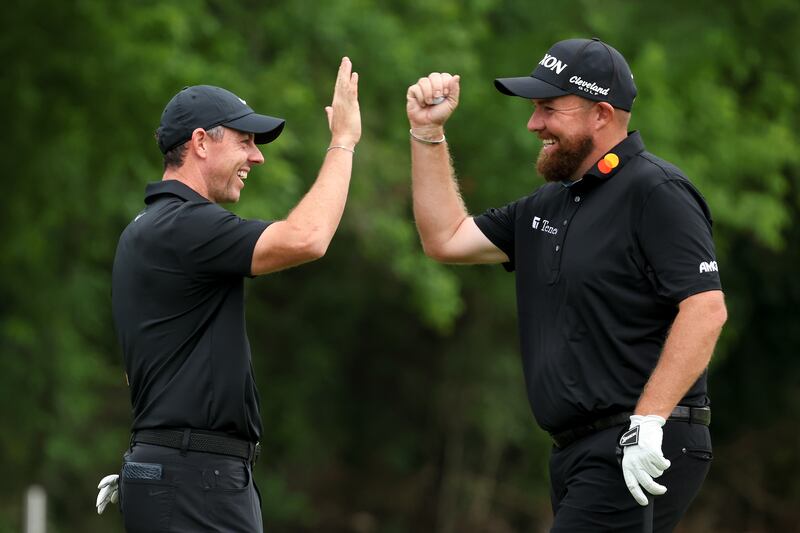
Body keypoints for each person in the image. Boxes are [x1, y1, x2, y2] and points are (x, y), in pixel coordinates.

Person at [406, 38, 727, 532]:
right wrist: (427, 134)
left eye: (549, 109)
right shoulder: (547, 205)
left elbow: (705, 309)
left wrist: (648, 422)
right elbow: (445, 238)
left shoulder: (656, 191)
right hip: (575, 452)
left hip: (643, 440)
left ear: (601, 114)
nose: (534, 124)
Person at [97, 57, 360, 532]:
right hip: (193, 478)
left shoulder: (147, 229)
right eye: (245, 141)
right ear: (200, 142)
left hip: (182, 473)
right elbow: (308, 238)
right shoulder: (183, 224)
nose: (257, 157)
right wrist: (343, 142)